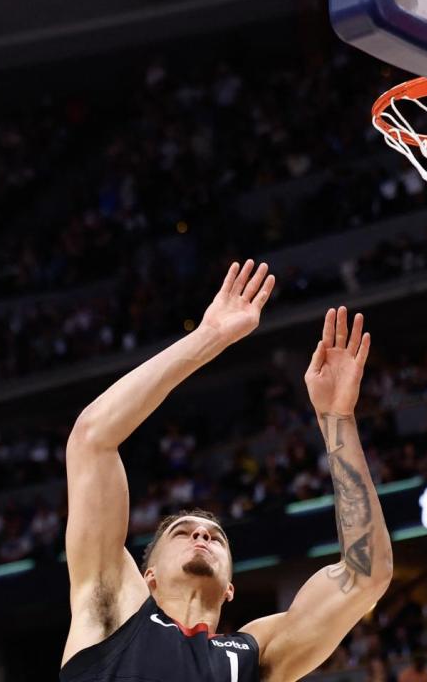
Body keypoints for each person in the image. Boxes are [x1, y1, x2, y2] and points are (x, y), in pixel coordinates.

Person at [61, 260, 394, 682]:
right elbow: (92, 439)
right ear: (148, 578)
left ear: (230, 588)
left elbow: (366, 574)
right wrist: (210, 336)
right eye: (182, 533)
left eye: (215, 537)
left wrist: (337, 420)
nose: (202, 536)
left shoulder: (252, 655)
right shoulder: (112, 609)